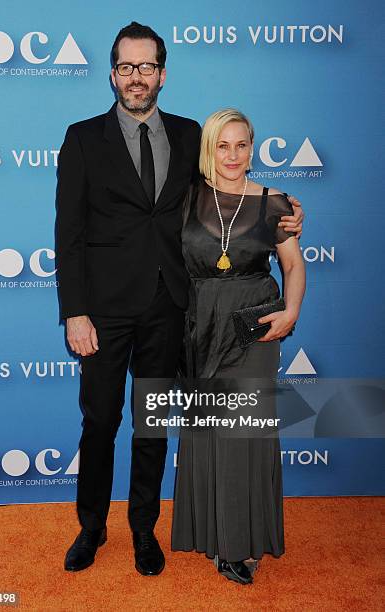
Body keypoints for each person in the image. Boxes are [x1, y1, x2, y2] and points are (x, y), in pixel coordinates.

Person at [55, 22, 304, 576]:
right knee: (99, 422)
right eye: (126, 67)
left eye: (147, 67)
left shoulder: (193, 135)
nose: (136, 77)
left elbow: (231, 189)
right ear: (113, 74)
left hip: (172, 307)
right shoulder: (81, 138)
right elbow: (67, 234)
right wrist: (74, 311)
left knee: (152, 424)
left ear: (162, 75)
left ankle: (144, 530)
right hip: (103, 310)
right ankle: (91, 527)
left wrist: (282, 213)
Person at [171, 109, 306, 585]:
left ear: (253, 146)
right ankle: (210, 530)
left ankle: (239, 544)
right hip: (198, 324)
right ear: (211, 147)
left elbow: (292, 265)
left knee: (242, 430)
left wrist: (289, 314)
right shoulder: (183, 198)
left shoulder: (275, 202)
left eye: (242, 144)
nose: (233, 155)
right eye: (223, 145)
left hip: (254, 325)